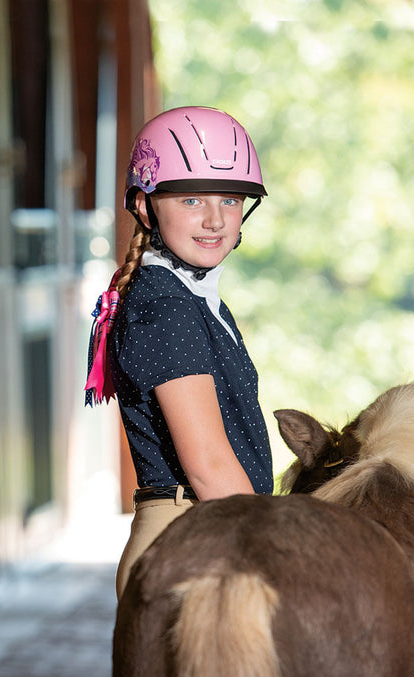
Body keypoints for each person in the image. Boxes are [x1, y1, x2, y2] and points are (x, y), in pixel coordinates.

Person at [84, 106, 275, 598]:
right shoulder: (167, 308)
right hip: (200, 532)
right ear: (146, 207)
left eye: (231, 200)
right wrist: (277, 552)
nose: (215, 220)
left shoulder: (190, 298)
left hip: (209, 526)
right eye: (191, 199)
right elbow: (208, 467)